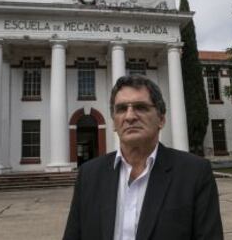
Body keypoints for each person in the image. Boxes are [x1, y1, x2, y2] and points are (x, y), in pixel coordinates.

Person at [63, 75, 223, 240]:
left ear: (161, 119)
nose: (130, 116)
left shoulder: (194, 174)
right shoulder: (88, 175)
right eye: (121, 109)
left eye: (140, 107)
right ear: (113, 122)